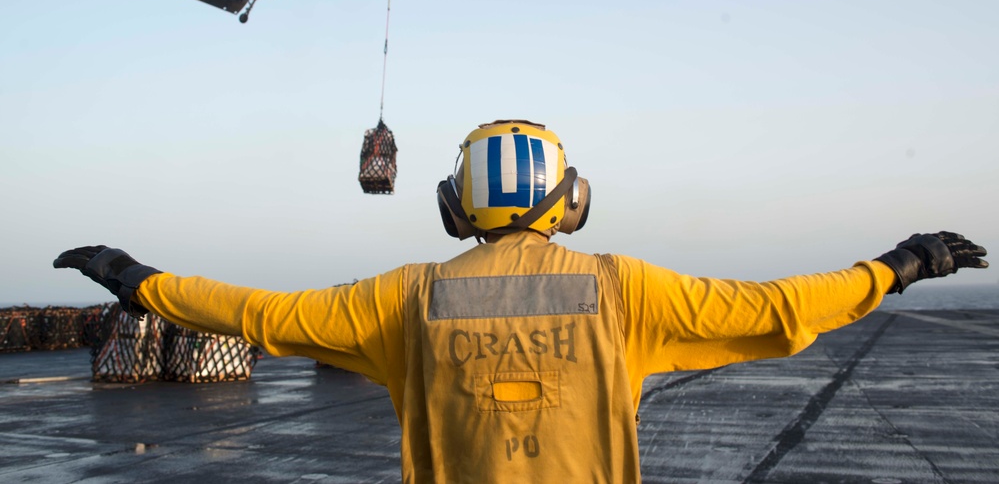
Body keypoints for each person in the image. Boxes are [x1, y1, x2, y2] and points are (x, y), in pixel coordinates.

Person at [53, 120, 988, 483]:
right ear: (568, 200)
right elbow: (783, 306)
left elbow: (259, 314)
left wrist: (139, 280)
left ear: (455, 207)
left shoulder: (406, 298)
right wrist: (897, 264)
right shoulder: (620, 289)